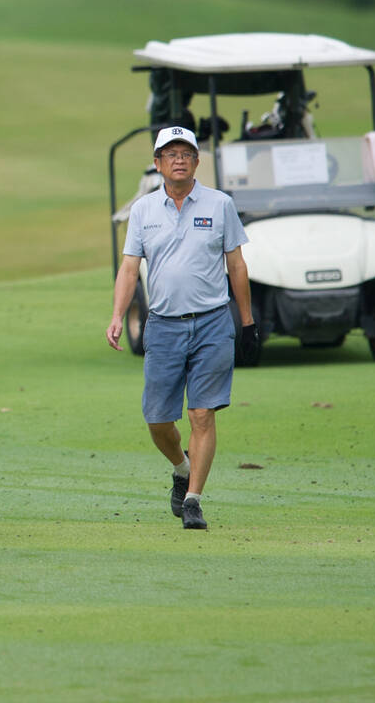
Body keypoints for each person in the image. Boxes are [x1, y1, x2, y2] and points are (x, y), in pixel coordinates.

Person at [107, 125, 256, 531]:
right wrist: (118, 315)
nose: (178, 159)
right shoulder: (143, 210)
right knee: (158, 420)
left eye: (185, 153)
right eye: (169, 154)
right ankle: (180, 467)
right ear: (157, 164)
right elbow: (129, 267)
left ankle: (193, 499)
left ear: (196, 161)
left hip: (211, 322)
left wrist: (246, 321)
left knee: (202, 414)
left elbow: (236, 265)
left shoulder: (220, 203)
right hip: (163, 326)